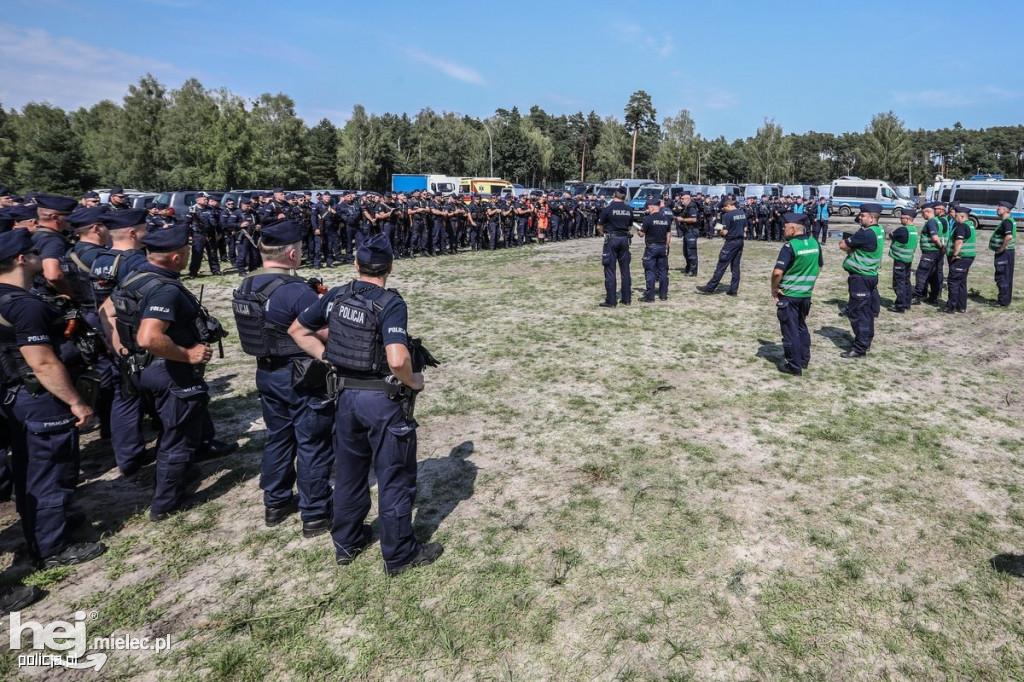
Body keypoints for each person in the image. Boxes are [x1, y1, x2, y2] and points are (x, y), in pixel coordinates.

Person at [289, 233, 442, 576]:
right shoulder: (390, 303)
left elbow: (298, 330)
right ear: (390, 266)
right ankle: (400, 554)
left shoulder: (335, 296)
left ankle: (347, 540)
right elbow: (398, 358)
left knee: (350, 473)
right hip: (382, 401)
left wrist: (328, 357)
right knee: (394, 477)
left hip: (344, 399)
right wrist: (415, 381)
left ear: (356, 264)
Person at [109, 224, 236, 521]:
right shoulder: (164, 289)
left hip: (141, 367)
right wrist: (187, 353)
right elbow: (149, 337)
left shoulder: (136, 275)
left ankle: (184, 472)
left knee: (173, 429)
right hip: (169, 371)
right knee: (177, 437)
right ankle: (167, 503)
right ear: (178, 257)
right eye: (187, 251)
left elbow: (111, 311)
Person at [0, 229, 106, 567]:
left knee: (31, 469)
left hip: (15, 395)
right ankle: (52, 547)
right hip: (39, 396)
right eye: (32, 252)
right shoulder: (25, 305)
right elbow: (42, 362)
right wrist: (76, 401)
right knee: (50, 470)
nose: (38, 256)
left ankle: (46, 524)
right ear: (21, 259)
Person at [232, 220, 333, 536]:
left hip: (267, 372)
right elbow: (325, 332)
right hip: (300, 375)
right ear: (291, 253)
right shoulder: (295, 291)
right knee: (312, 441)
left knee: (279, 436)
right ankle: (315, 513)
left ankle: (275, 502)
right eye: (301, 249)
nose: (302, 253)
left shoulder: (248, 285)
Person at [771, 213, 823, 376]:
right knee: (801, 327)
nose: (783, 230)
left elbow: (777, 272)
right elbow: (819, 266)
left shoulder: (790, 246)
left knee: (790, 330)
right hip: (805, 295)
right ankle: (804, 359)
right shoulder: (814, 243)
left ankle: (794, 365)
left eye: (785, 227)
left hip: (789, 294)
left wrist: (774, 288)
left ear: (793, 228)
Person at [838, 203, 883, 358]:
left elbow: (843, 245)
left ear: (871, 218)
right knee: (867, 312)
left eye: (862, 215)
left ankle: (860, 347)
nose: (859, 217)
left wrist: (851, 246)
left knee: (858, 313)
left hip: (861, 278)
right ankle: (866, 340)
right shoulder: (878, 230)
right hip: (869, 275)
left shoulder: (866, 233)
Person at [696, 197, 746, 296]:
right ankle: (733, 290)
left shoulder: (728, 216)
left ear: (728, 206)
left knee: (721, 265)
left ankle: (710, 288)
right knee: (735, 267)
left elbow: (724, 232)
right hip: (740, 241)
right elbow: (745, 228)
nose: (723, 210)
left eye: (724, 208)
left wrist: (719, 230)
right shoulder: (742, 213)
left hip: (730, 243)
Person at [596, 188, 633, 307]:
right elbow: (629, 227)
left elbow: (599, 226)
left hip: (612, 239)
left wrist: (604, 234)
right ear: (624, 196)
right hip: (624, 239)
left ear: (614, 195)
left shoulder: (608, 209)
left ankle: (611, 300)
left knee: (610, 270)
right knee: (625, 270)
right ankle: (626, 299)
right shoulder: (629, 209)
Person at [945, 205, 977, 314]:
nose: (954, 217)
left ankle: (951, 307)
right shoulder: (970, 225)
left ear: (962, 216)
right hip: (968, 258)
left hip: (960, 258)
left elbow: (959, 241)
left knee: (953, 282)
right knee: (962, 282)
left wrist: (954, 254)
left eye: (956, 215)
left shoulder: (962, 227)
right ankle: (961, 306)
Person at [638, 199, 672, 302]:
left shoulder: (648, 219)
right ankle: (663, 295)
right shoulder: (666, 219)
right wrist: (666, 246)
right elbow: (668, 234)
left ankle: (650, 296)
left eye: (648, 207)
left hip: (651, 248)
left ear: (652, 207)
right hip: (662, 247)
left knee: (650, 272)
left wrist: (639, 230)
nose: (647, 209)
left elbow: (641, 234)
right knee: (663, 272)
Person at [912, 203, 945, 306]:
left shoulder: (931, 222)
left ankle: (917, 296)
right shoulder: (938, 221)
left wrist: (940, 246)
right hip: (936, 253)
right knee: (933, 275)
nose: (922, 215)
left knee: (921, 273)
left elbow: (935, 238)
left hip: (930, 252)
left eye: (923, 213)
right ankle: (933, 297)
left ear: (928, 212)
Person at [887, 209, 919, 312]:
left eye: (902, 218)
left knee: (898, 283)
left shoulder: (903, 230)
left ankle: (899, 305)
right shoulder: (914, 230)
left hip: (900, 259)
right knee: (906, 282)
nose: (900, 220)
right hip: (908, 259)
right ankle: (907, 303)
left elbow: (890, 236)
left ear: (908, 219)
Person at [990, 200, 1016, 307]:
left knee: (1002, 276)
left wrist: (1001, 248)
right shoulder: (1009, 220)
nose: (997, 210)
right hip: (1008, 252)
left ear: (1004, 210)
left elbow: (1008, 236)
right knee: (1006, 276)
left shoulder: (1007, 222)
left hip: (1004, 253)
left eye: (999, 208)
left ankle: (1002, 301)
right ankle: (1005, 300)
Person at [676, 193, 700, 275]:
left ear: (688, 198)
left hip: (692, 231)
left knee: (691, 252)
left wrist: (682, 219)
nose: (681, 200)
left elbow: (694, 219)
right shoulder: (686, 207)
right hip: (687, 231)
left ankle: (693, 270)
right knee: (686, 252)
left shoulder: (692, 207)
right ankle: (689, 268)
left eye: (683, 198)